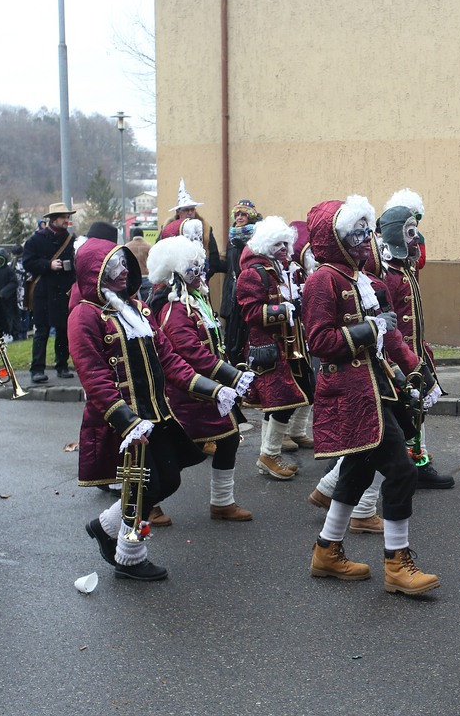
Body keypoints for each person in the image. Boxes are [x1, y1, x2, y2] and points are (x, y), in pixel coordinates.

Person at [70, 238, 241, 581]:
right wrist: (127, 422)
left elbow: (171, 361)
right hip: (124, 422)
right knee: (142, 487)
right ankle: (129, 556)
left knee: (169, 480)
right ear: (95, 273)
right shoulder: (84, 316)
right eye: (112, 267)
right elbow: (94, 378)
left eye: (123, 264)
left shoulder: (135, 307)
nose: (121, 272)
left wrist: (216, 389)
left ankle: (105, 526)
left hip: (158, 414)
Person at [303, 195, 439, 596]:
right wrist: (369, 329)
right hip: (349, 392)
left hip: (376, 387)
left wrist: (418, 371)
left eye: (367, 231)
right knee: (401, 471)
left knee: (359, 472)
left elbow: (391, 336)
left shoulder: (367, 282)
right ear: (336, 239)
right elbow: (320, 340)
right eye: (357, 233)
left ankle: (326, 550)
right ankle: (397, 564)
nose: (366, 239)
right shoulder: (322, 280)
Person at [147, 237, 254, 522]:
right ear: (176, 275)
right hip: (185, 392)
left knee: (229, 438)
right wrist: (229, 375)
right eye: (193, 269)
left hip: (207, 389)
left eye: (200, 266)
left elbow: (211, 345)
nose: (201, 273)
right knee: (182, 453)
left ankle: (222, 502)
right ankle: (148, 502)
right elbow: (190, 352)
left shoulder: (195, 300)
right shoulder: (174, 308)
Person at [377, 190, 452, 489]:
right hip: (398, 357)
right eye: (410, 233)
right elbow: (391, 325)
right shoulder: (389, 275)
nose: (416, 239)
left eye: (416, 232)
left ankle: (417, 461)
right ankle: (409, 465)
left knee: (416, 413)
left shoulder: (405, 271)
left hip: (415, 352)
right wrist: (404, 359)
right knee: (400, 418)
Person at [235, 217, 314, 480]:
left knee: (300, 395)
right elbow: (251, 313)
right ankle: (269, 454)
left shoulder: (285, 269)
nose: (284, 248)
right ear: (266, 245)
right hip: (269, 348)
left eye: (286, 243)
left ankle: (274, 451)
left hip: (294, 345)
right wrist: (285, 309)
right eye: (278, 244)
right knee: (280, 402)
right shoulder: (254, 273)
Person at [23, 202, 76, 383]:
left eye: (67, 218)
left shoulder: (70, 239)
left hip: (63, 292)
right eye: (63, 217)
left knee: (63, 330)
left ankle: (62, 365)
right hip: (43, 292)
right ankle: (37, 369)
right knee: (42, 331)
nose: (66, 221)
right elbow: (27, 263)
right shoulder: (35, 240)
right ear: (54, 219)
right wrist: (48, 265)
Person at [223, 198, 262, 366]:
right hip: (233, 289)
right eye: (237, 214)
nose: (239, 217)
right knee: (232, 334)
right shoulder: (232, 237)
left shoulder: (257, 235)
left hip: (249, 287)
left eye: (243, 214)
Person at [159, 179, 225, 277]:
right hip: (173, 281)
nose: (190, 213)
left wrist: (203, 277)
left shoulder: (205, 229)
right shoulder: (167, 230)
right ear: (178, 212)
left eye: (192, 209)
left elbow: (214, 259)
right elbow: (159, 255)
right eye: (186, 210)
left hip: (200, 280)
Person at [124, 226, 153, 302]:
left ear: (133, 235)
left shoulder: (127, 246)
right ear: (142, 235)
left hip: (132, 278)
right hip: (146, 277)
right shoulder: (149, 246)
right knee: (147, 302)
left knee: (133, 303)